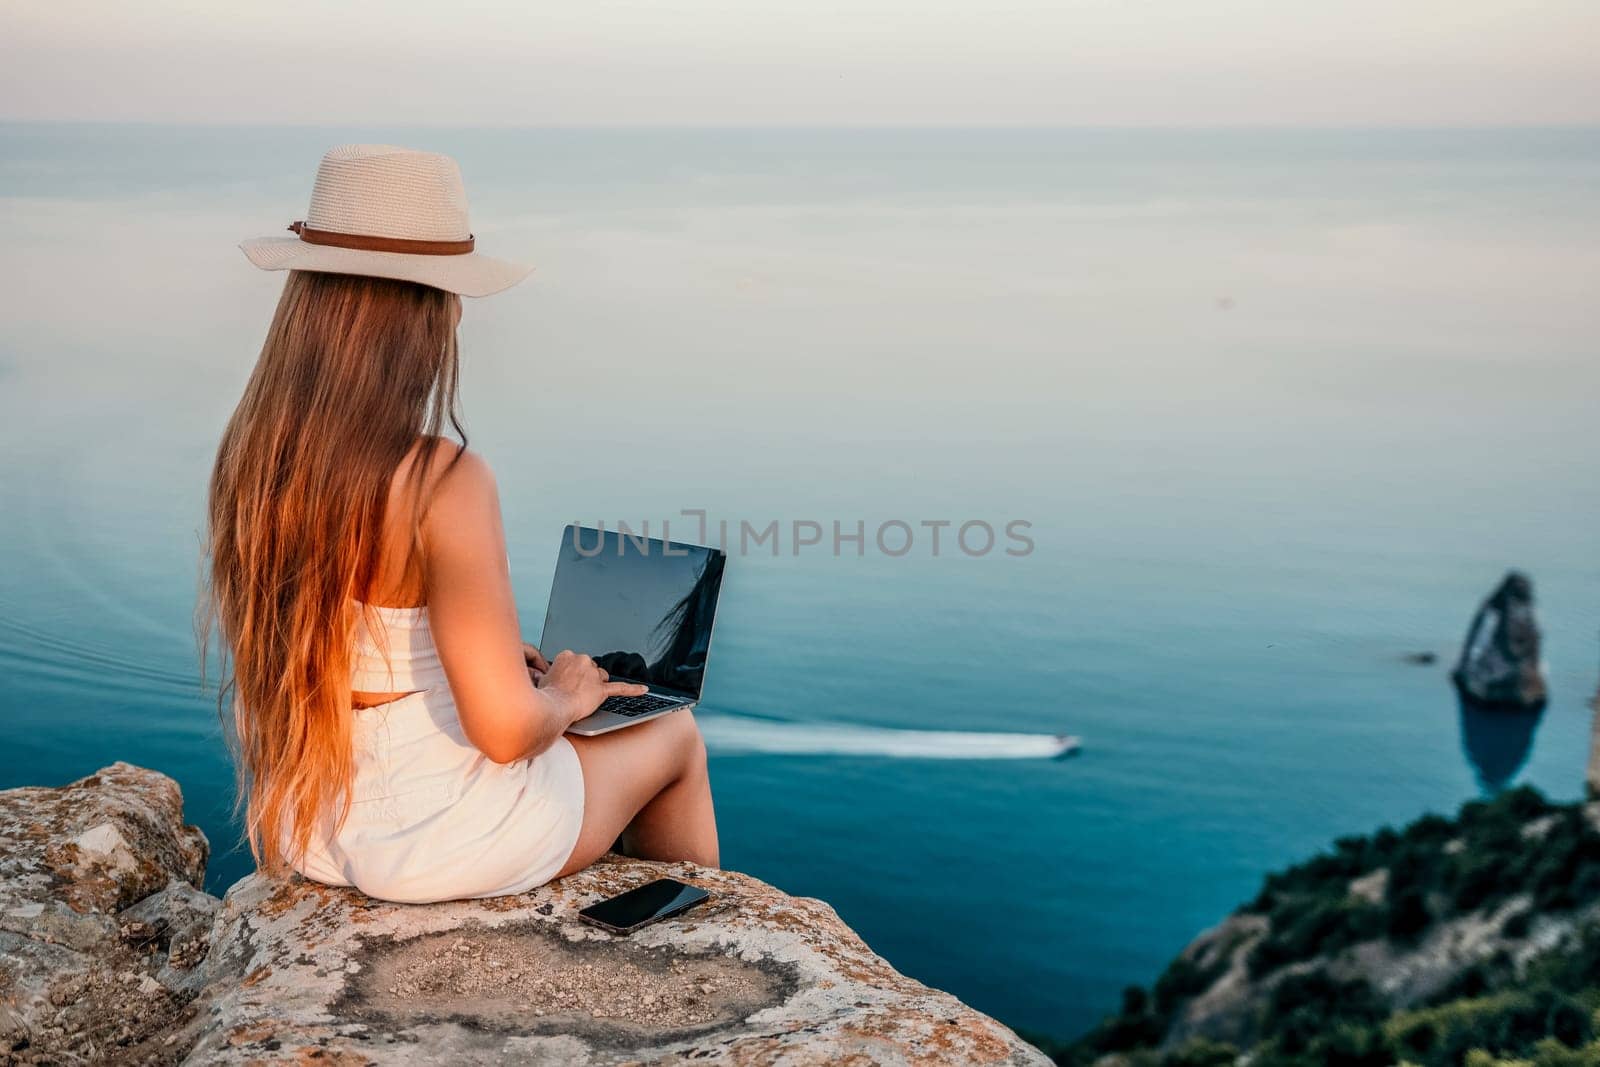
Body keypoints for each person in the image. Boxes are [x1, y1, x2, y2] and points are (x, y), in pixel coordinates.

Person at [201, 144, 718, 904]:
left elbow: (349, 643)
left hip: (313, 826)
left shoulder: (255, 456)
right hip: (439, 838)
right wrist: (569, 694)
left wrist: (465, 656)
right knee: (671, 735)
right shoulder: (443, 478)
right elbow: (507, 733)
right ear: (431, 311)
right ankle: (701, 938)